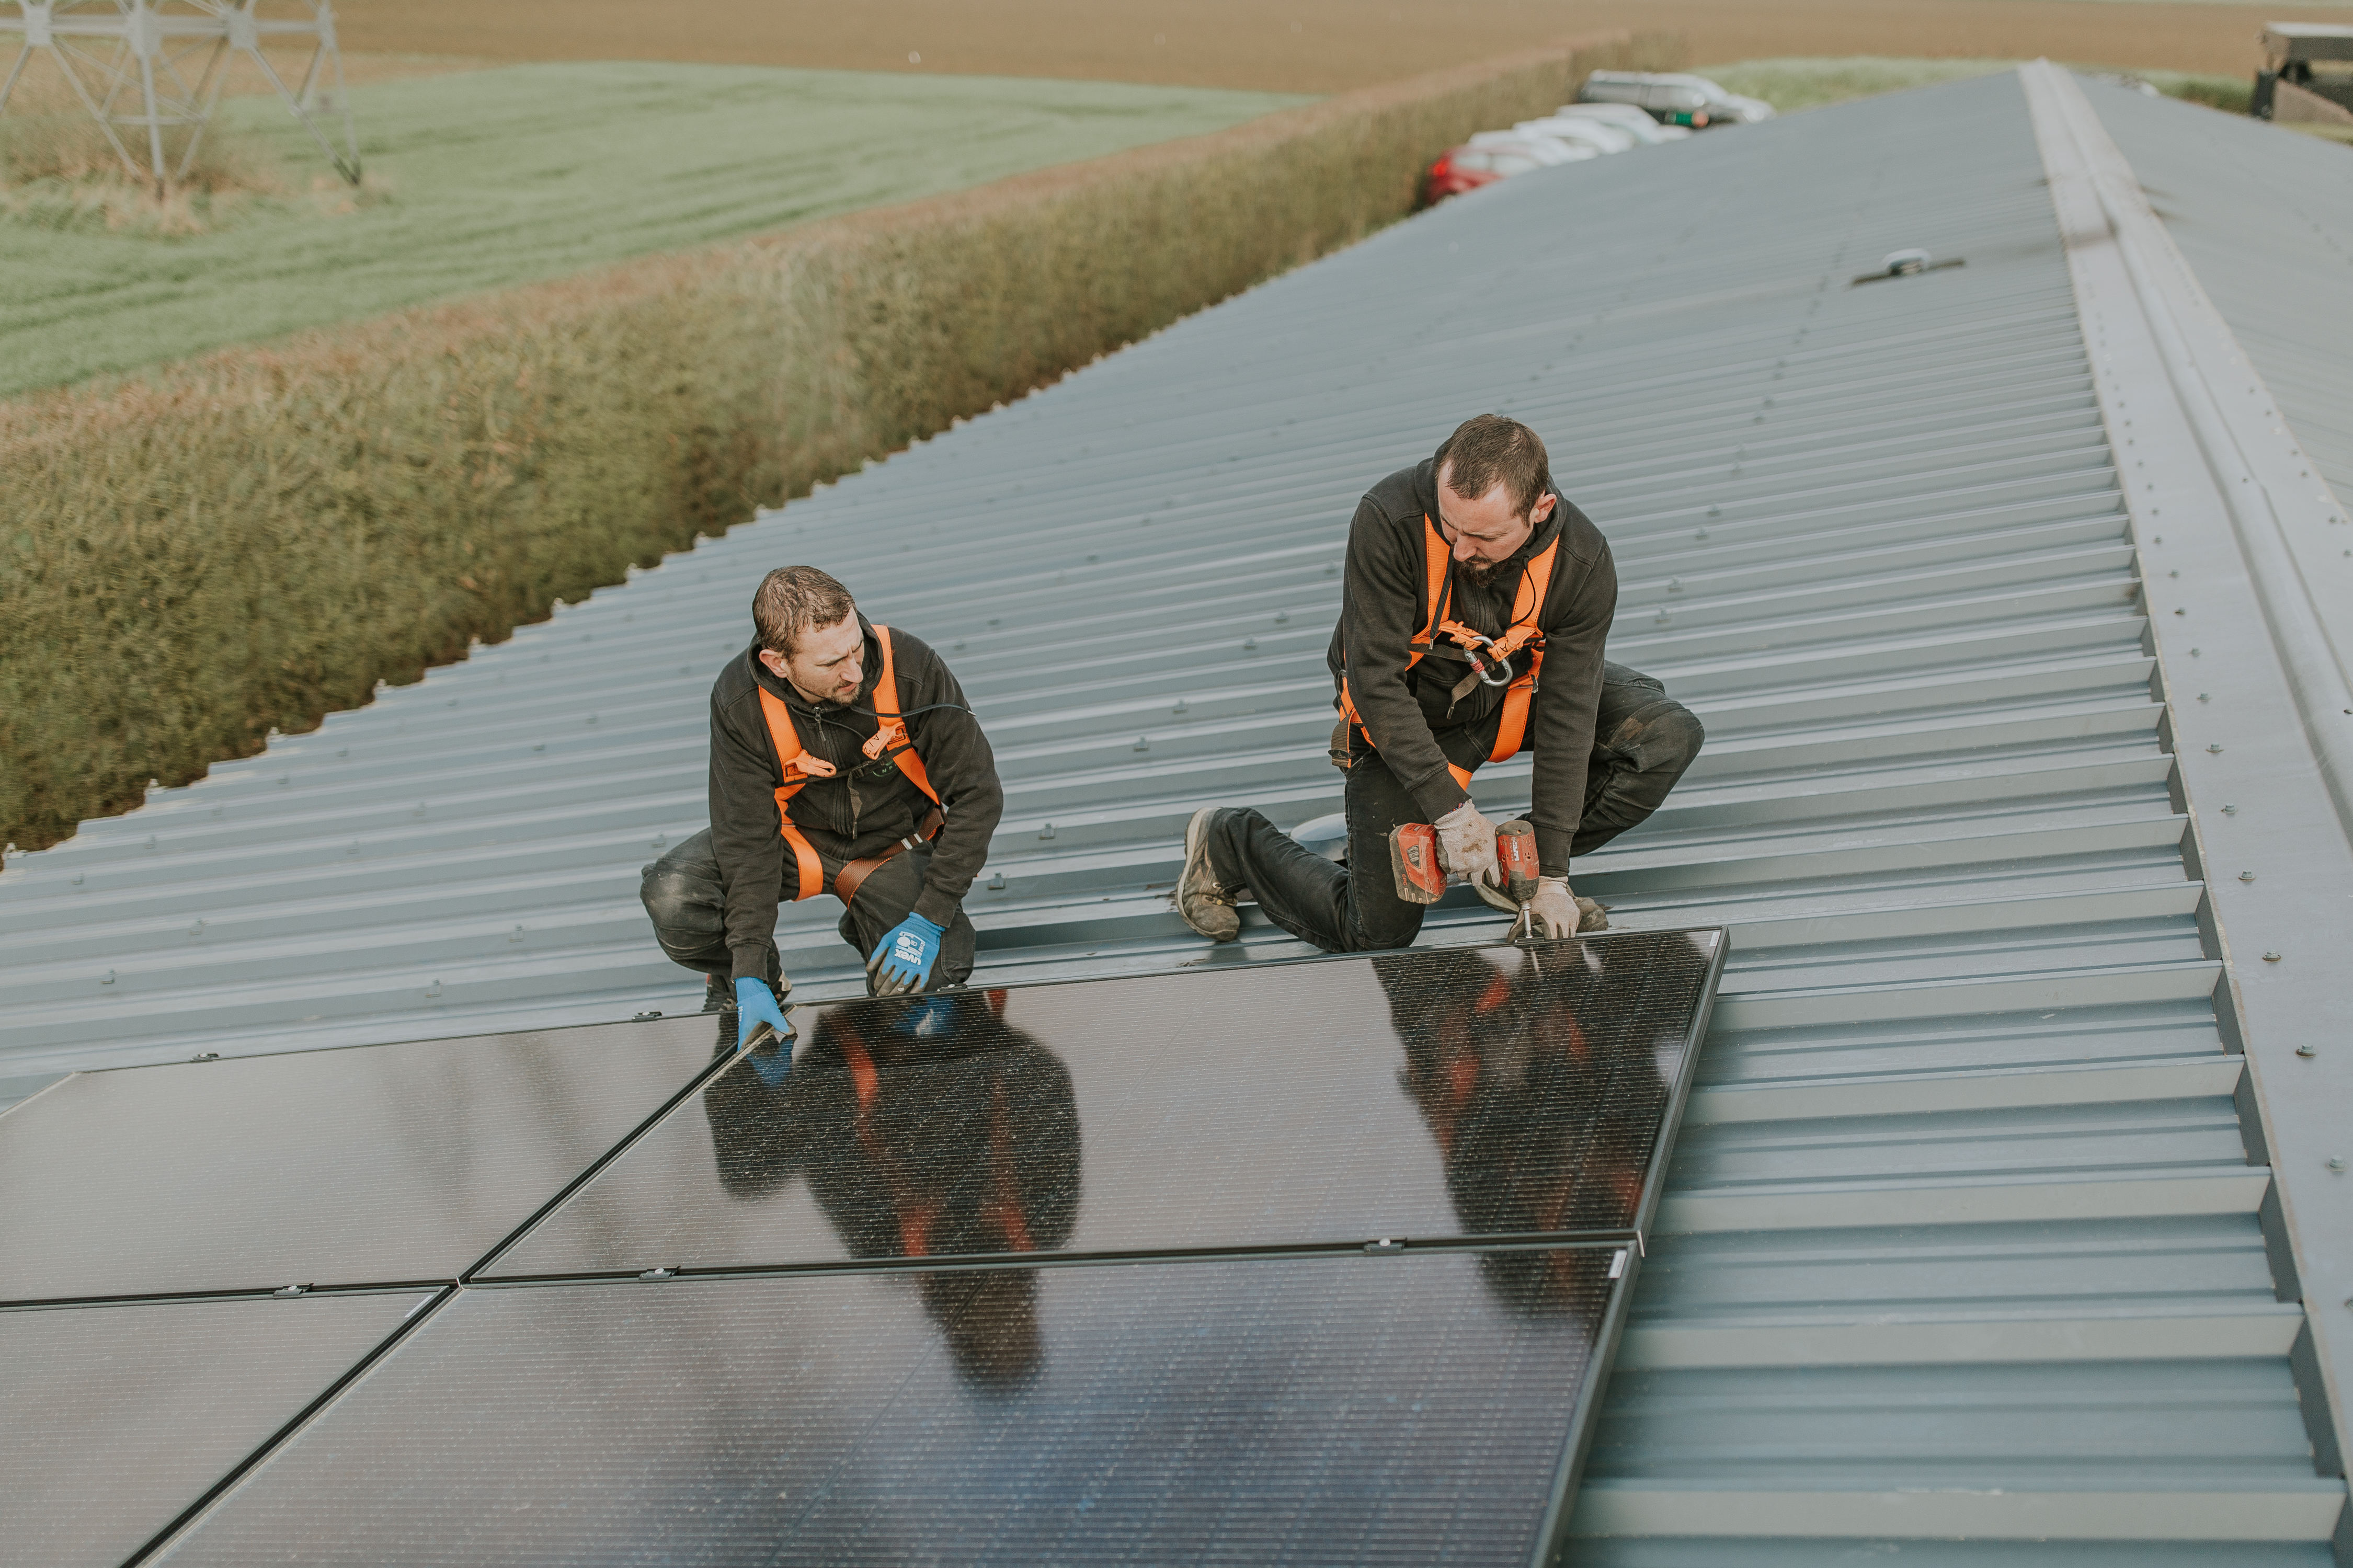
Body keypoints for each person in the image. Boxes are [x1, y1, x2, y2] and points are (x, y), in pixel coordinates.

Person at [1178, 414, 1701, 952]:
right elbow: (1375, 683)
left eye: (1483, 536)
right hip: (1406, 718)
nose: (1460, 549)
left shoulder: (1581, 563)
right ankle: (1230, 841)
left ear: (1539, 510)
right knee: (1376, 931)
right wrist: (1451, 813)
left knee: (1663, 735)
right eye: (1452, 527)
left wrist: (1551, 876)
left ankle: (1508, 866)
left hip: (1507, 699)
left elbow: (1570, 712)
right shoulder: (1390, 517)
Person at [641, 566, 1003, 1050]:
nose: (854, 670)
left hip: (890, 849)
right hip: (796, 844)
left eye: (856, 647)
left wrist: (928, 919)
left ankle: (872, 921)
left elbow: (979, 795)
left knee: (927, 995)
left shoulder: (910, 666)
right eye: (832, 662)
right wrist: (747, 965)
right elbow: (746, 838)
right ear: (777, 662)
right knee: (675, 897)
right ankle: (754, 981)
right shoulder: (740, 703)